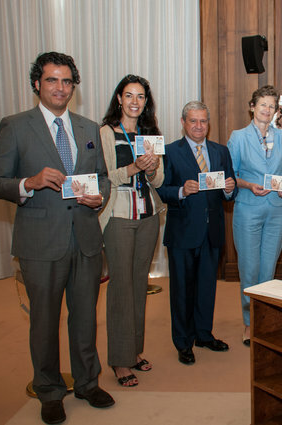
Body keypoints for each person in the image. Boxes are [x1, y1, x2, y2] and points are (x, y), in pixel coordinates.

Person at [0, 52, 113, 424]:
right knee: (43, 321)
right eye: (52, 80)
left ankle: (88, 383)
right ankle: (50, 390)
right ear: (37, 84)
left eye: (67, 81)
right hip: (40, 243)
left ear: (75, 86)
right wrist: (29, 182)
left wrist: (99, 196)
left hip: (86, 238)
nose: (60, 87)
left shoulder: (88, 128)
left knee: (85, 317)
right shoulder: (16, 126)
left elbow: (101, 177)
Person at [157, 101, 237, 365]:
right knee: (181, 290)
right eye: (193, 121)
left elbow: (231, 191)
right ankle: (183, 342)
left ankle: (203, 334)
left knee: (207, 288)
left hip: (212, 232)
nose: (199, 126)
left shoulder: (220, 151)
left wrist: (228, 188)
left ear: (208, 123)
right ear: (183, 122)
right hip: (182, 233)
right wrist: (181, 190)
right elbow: (161, 190)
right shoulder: (169, 152)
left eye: (203, 121)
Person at [99, 75, 164, 386]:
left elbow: (160, 181)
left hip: (148, 216)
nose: (135, 102)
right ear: (119, 99)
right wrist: (134, 167)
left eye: (141, 97)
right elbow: (105, 177)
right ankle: (120, 361)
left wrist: (151, 168)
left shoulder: (151, 134)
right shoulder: (106, 133)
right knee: (121, 288)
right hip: (120, 216)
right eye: (129, 96)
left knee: (139, 285)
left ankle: (134, 351)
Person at [227, 85, 282, 346]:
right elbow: (230, 175)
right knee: (250, 268)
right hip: (248, 209)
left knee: (268, 269)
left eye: (272, 106)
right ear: (252, 107)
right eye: (262, 104)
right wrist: (248, 185)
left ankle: (264, 318)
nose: (267, 110)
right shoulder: (238, 137)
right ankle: (248, 322)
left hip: (278, 210)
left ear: (276, 111)